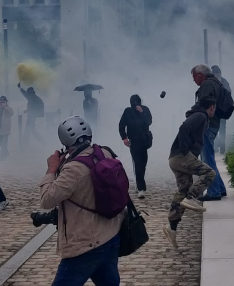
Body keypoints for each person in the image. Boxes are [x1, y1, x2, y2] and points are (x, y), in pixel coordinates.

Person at [40, 116, 125, 286]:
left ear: (65, 142)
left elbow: (47, 199)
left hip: (86, 246)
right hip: (110, 236)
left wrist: (51, 169)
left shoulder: (73, 169)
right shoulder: (104, 152)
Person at [163, 97, 217, 249]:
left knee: (183, 189)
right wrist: (186, 151)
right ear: (211, 107)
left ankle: (171, 227)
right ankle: (192, 197)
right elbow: (183, 129)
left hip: (174, 158)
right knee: (209, 173)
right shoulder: (200, 116)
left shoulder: (197, 114)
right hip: (181, 156)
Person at [192, 64, 227, 201]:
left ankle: (213, 191)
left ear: (201, 74)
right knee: (209, 158)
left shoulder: (207, 85)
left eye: (194, 76)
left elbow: (205, 105)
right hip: (213, 124)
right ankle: (220, 188)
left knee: (207, 161)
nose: (193, 79)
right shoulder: (215, 83)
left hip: (207, 125)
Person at [118, 94, 152, 199]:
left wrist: (142, 113)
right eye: (134, 102)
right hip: (134, 141)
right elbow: (121, 124)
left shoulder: (145, 109)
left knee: (143, 162)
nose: (136, 104)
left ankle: (139, 182)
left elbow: (149, 122)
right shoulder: (128, 111)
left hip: (144, 141)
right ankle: (141, 188)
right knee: (137, 163)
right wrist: (124, 137)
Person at [211, 66, 232, 154]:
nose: (217, 75)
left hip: (222, 110)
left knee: (222, 129)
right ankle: (215, 147)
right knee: (214, 128)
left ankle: (222, 148)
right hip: (213, 110)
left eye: (218, 73)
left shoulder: (224, 82)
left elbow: (229, 93)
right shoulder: (210, 82)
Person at [19, 84, 44, 150]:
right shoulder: (34, 97)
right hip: (32, 116)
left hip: (32, 117)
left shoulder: (32, 97)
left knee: (27, 131)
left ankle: (25, 146)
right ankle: (43, 142)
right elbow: (33, 106)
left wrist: (20, 88)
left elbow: (25, 95)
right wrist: (27, 110)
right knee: (32, 131)